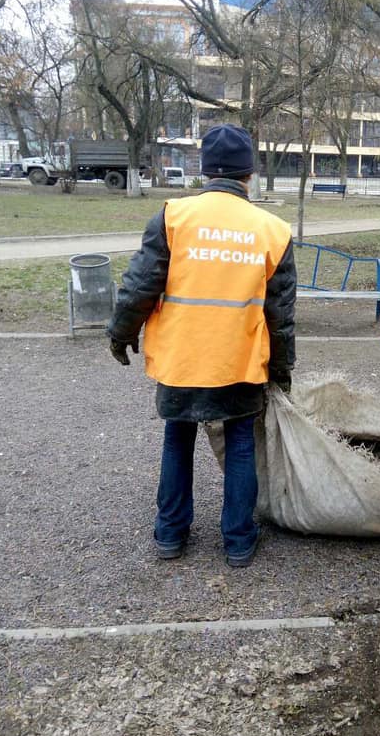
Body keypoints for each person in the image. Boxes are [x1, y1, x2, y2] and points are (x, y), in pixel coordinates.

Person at [107, 124, 296, 568]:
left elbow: (140, 285)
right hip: (241, 358)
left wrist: (120, 332)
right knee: (241, 444)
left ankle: (171, 535)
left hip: (182, 357)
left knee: (177, 439)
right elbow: (281, 314)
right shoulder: (273, 230)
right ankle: (238, 541)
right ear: (249, 173)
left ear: (205, 171)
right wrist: (282, 369)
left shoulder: (173, 216)